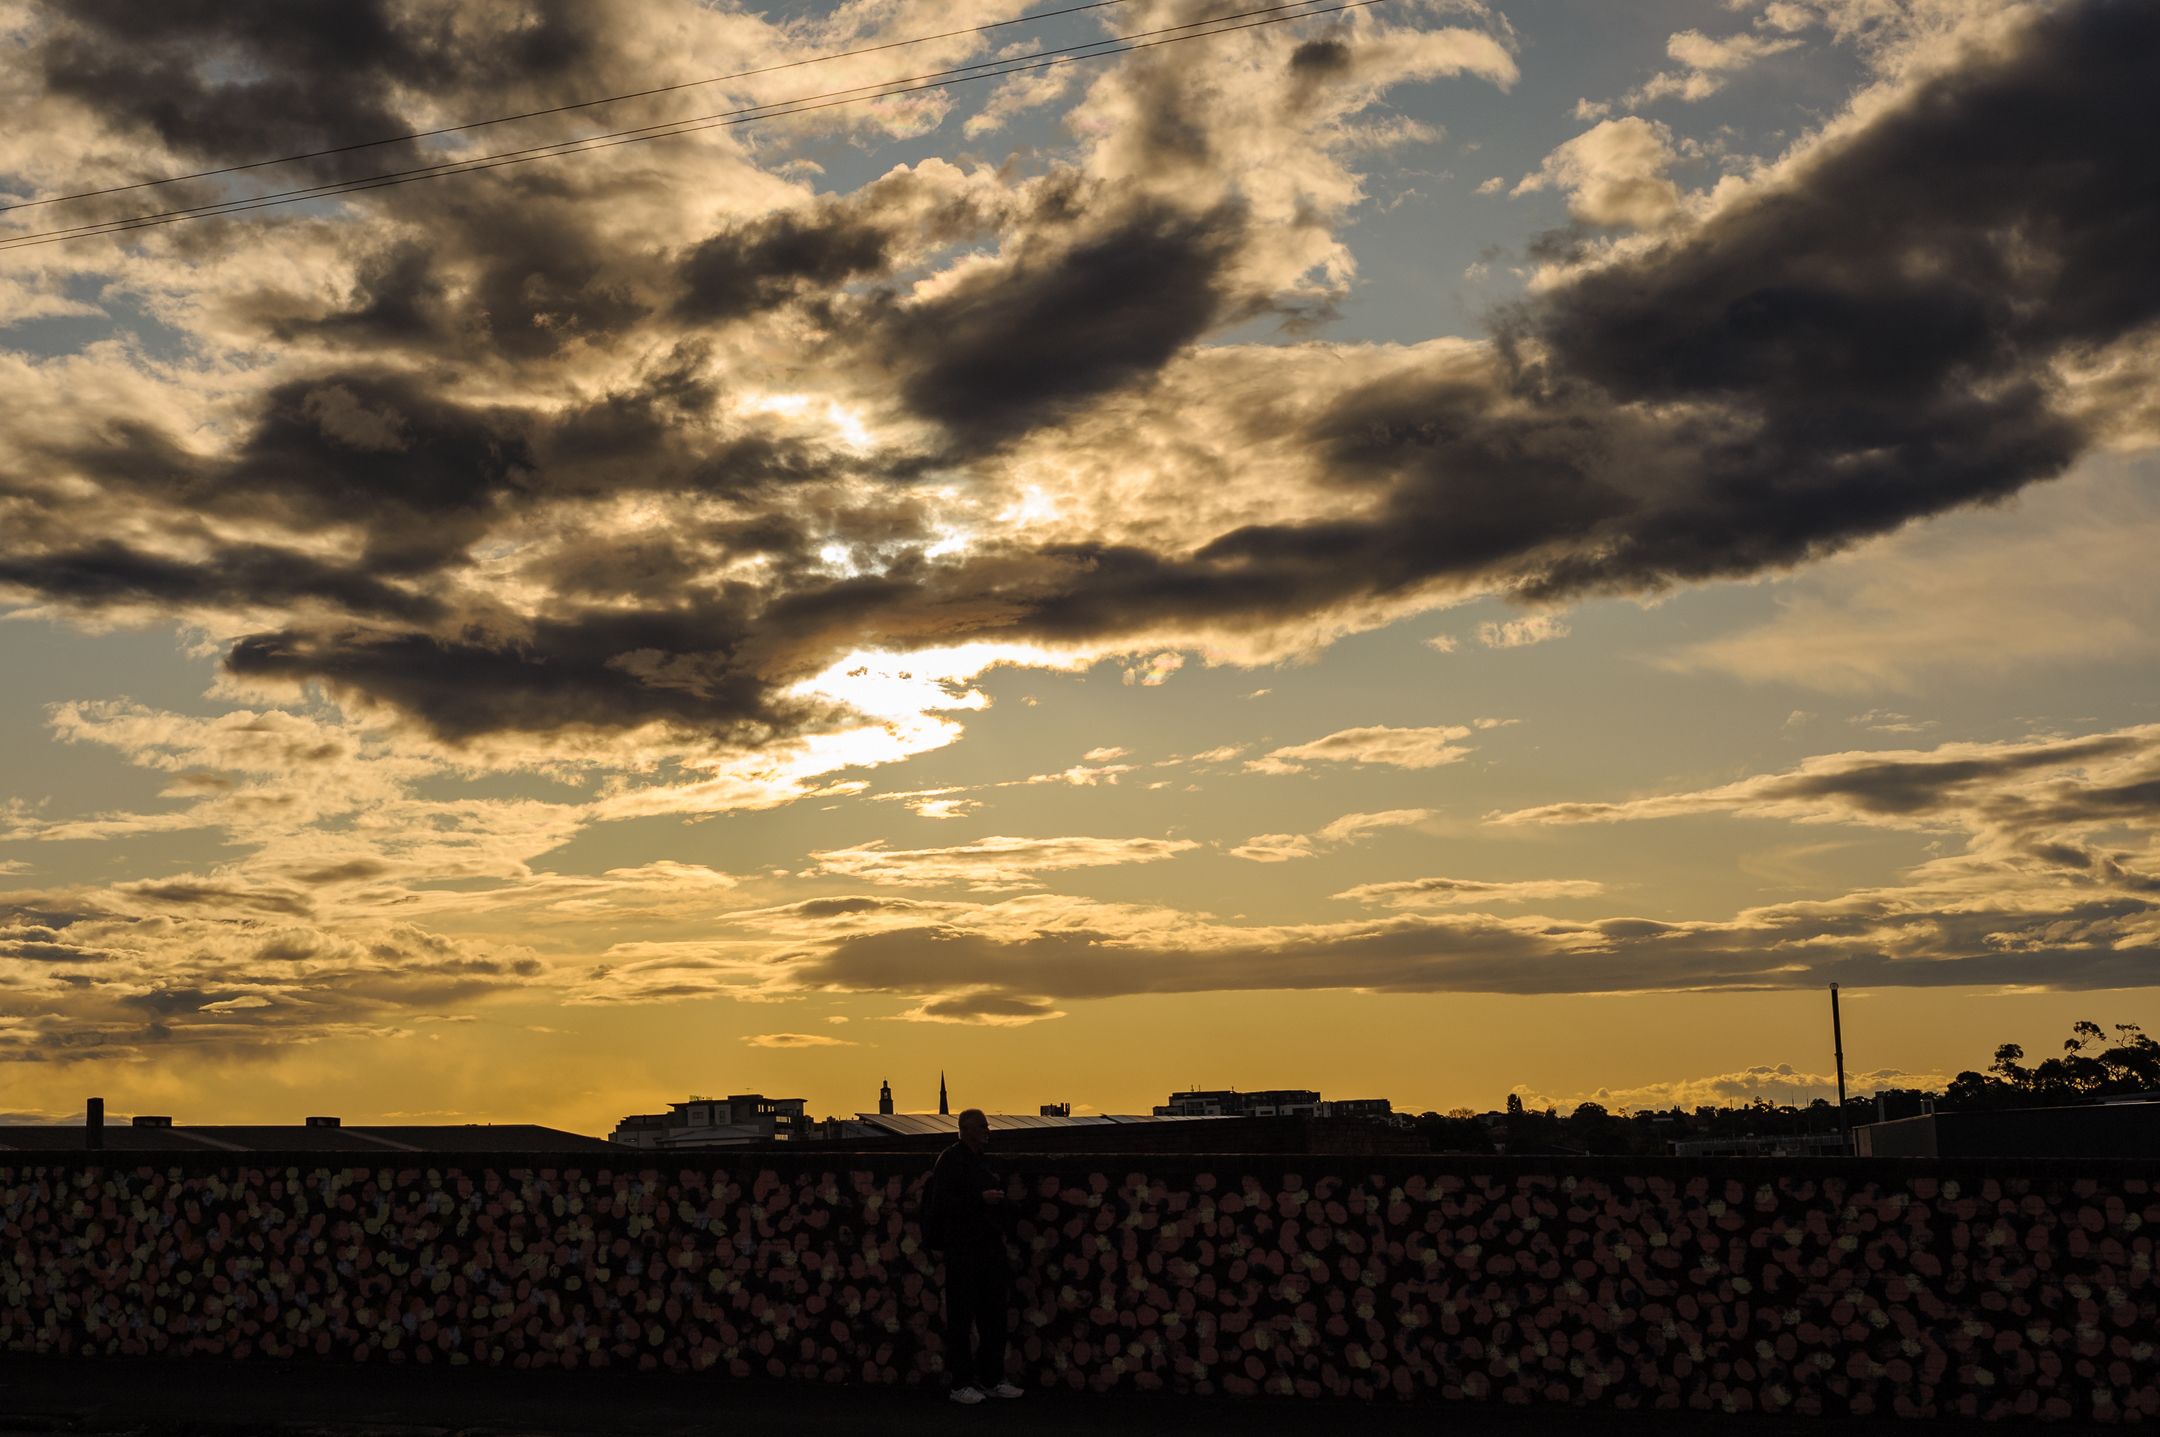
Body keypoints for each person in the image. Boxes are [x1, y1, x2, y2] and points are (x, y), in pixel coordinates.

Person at [929, 1108, 1024, 1404]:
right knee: (961, 1318)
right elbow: (942, 1204)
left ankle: (991, 1378)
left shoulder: (983, 1161)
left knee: (993, 1317)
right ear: (966, 1129)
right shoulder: (951, 1161)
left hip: (988, 1248)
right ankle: (961, 1384)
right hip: (963, 1250)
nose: (987, 1130)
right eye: (982, 1126)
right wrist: (979, 1199)